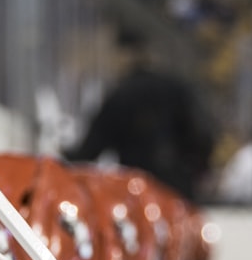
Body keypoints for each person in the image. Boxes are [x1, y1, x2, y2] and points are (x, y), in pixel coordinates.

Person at [67, 27, 214, 200]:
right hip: (177, 191)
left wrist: (61, 160)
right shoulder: (175, 89)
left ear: (124, 54)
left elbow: (90, 150)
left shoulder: (120, 96)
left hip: (137, 194)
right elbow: (202, 137)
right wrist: (198, 171)